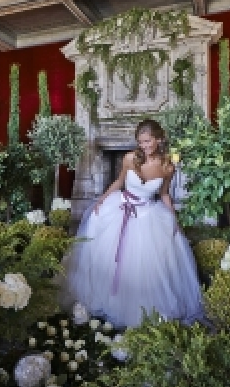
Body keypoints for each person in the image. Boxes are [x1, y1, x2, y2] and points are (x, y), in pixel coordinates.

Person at [59, 119, 205, 328]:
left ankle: (140, 310)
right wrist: (102, 200)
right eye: (141, 142)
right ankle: (105, 299)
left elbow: (164, 195)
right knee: (103, 246)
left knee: (146, 262)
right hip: (120, 207)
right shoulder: (130, 158)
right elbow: (119, 182)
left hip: (148, 215)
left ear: (159, 139)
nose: (144, 146)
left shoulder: (167, 166)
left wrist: (173, 220)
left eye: (148, 141)